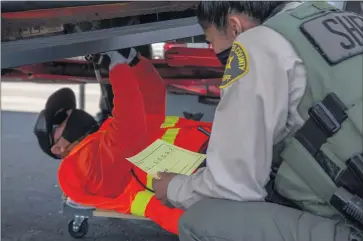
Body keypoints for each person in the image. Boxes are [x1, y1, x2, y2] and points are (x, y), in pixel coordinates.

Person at [152, 1, 363, 241]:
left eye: (211, 41)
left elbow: (232, 187)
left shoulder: (258, 44)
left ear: (234, 27)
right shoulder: (337, 18)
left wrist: (172, 188)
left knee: (200, 221)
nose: (213, 50)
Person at [33, 48, 212, 235]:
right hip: (203, 186)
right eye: (61, 119)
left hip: (214, 156)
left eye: (67, 111)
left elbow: (152, 94)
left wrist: (135, 61)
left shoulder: (102, 140)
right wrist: (118, 68)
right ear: (58, 148)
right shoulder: (78, 167)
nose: (70, 113)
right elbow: (128, 125)